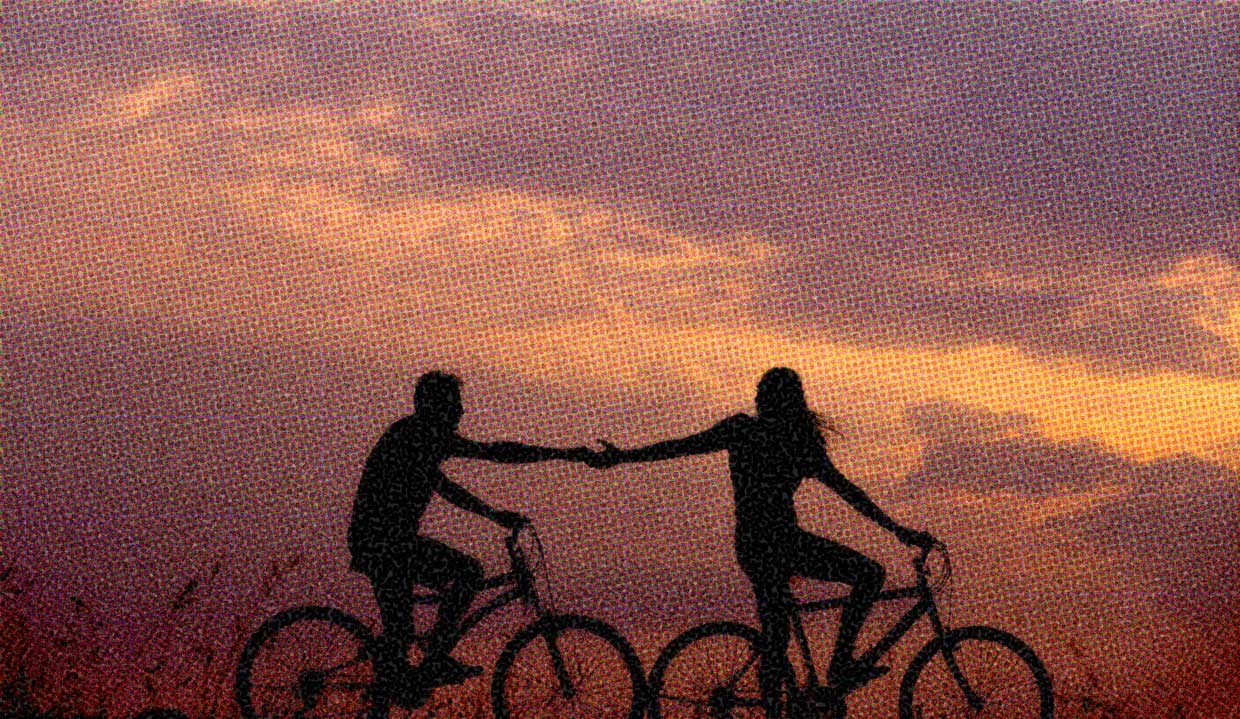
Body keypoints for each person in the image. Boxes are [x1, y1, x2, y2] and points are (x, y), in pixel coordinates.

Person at [589, 367, 934, 716]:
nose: (756, 398)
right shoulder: (788, 439)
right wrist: (898, 530)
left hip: (762, 545)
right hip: (776, 544)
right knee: (863, 578)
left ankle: (800, 691)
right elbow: (848, 492)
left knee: (781, 632)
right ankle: (839, 665)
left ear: (777, 399)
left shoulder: (757, 433)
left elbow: (680, 447)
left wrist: (622, 457)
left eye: (762, 392)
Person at [348, 371, 591, 691]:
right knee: (467, 573)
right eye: (454, 405)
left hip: (389, 542)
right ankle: (433, 659)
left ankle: (408, 672)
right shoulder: (417, 436)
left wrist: (493, 514)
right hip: (382, 544)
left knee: (401, 636)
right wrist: (564, 454)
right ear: (435, 407)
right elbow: (493, 455)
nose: (461, 412)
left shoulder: (419, 437)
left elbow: (445, 483)